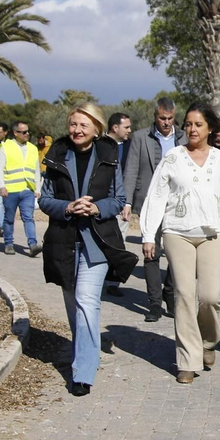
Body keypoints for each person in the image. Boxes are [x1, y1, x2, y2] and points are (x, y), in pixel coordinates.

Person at [139, 104, 220, 384]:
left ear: (210, 128)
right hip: (177, 233)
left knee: (210, 296)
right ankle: (188, 360)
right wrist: (149, 234)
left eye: (198, 124)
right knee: (184, 295)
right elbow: (156, 196)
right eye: (188, 124)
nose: (192, 129)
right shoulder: (173, 158)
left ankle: (208, 340)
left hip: (212, 234)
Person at [38, 104, 137, 396]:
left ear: (97, 129)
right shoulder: (57, 155)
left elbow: (118, 198)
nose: (77, 130)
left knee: (86, 301)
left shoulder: (109, 155)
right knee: (74, 304)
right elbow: (45, 200)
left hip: (97, 242)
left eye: (84, 125)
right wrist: (68, 207)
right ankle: (82, 350)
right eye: (73, 124)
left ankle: (83, 371)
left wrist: (96, 208)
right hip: (64, 242)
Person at [121, 97, 186, 321]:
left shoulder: (183, 138)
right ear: (155, 116)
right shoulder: (141, 138)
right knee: (151, 252)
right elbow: (131, 171)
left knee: (178, 254)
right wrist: (127, 202)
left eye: (170, 118)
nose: (166, 122)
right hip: (149, 202)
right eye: (162, 118)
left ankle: (170, 293)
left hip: (177, 204)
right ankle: (154, 303)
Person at [0, 120, 42, 256]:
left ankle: (33, 245)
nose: (27, 134)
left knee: (28, 218)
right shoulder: (7, 146)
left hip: (27, 190)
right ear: (15, 133)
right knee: (9, 218)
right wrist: (2, 186)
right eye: (24, 132)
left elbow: (36, 170)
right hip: (11, 190)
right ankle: (8, 244)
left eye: (28, 131)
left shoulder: (33, 148)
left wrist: (37, 188)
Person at [103, 112, 133, 296]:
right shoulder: (99, 145)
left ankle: (113, 282)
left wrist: (127, 202)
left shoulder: (131, 147)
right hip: (101, 203)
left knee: (119, 243)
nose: (130, 130)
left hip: (122, 204)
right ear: (115, 127)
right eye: (126, 127)